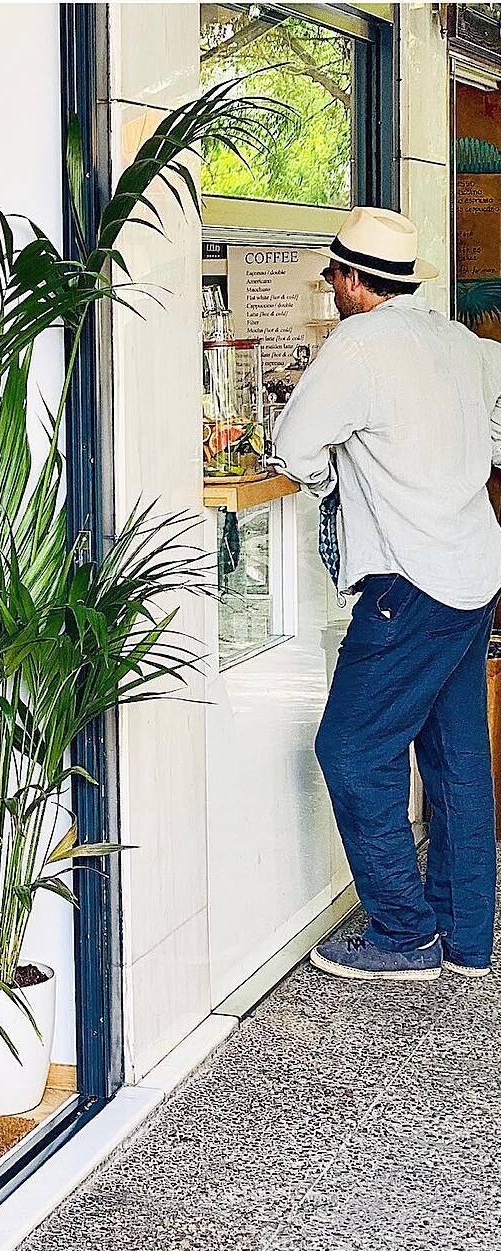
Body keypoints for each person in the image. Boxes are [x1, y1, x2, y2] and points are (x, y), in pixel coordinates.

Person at [273, 206, 501, 982]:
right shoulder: (456, 342)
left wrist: (330, 478)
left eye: (331, 276)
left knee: (349, 748)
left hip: (409, 583)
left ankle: (403, 933)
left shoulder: (358, 344)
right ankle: (465, 940)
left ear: (349, 280)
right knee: (456, 759)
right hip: (472, 574)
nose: (330, 288)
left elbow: (293, 444)